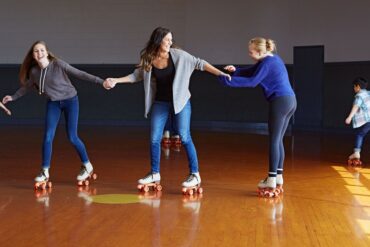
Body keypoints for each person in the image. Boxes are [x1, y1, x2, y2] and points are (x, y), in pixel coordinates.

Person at [106, 27, 230, 190]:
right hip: (161, 103)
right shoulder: (149, 58)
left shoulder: (179, 55)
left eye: (171, 40)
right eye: (167, 40)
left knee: (184, 136)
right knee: (154, 138)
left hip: (181, 102)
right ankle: (154, 173)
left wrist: (219, 74)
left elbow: (199, 63)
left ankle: (195, 174)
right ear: (158, 40)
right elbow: (136, 75)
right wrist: (116, 80)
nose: (171, 42)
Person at [2, 41, 110, 186]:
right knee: (48, 136)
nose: (39, 53)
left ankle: (87, 165)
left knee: (72, 137)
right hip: (53, 103)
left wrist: (101, 82)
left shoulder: (58, 64)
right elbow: (26, 87)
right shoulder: (34, 72)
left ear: (46, 53)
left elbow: (80, 74)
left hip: (71, 101)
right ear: (33, 55)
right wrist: (13, 96)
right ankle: (45, 171)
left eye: (41, 50)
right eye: (36, 51)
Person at [219, 37, 296, 195]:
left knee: (274, 140)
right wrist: (236, 70)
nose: (249, 54)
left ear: (260, 51)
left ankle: (272, 178)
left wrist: (228, 81)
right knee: (278, 139)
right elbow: (251, 70)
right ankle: (279, 176)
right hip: (290, 101)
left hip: (280, 101)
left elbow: (252, 81)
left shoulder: (267, 63)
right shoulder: (272, 59)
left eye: (251, 52)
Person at [345, 77, 370, 163]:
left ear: (358, 87)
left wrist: (349, 117)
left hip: (366, 120)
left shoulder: (359, 96)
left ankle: (356, 153)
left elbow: (356, 107)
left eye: (354, 87)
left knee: (359, 134)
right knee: (361, 134)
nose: (354, 88)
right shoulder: (368, 94)